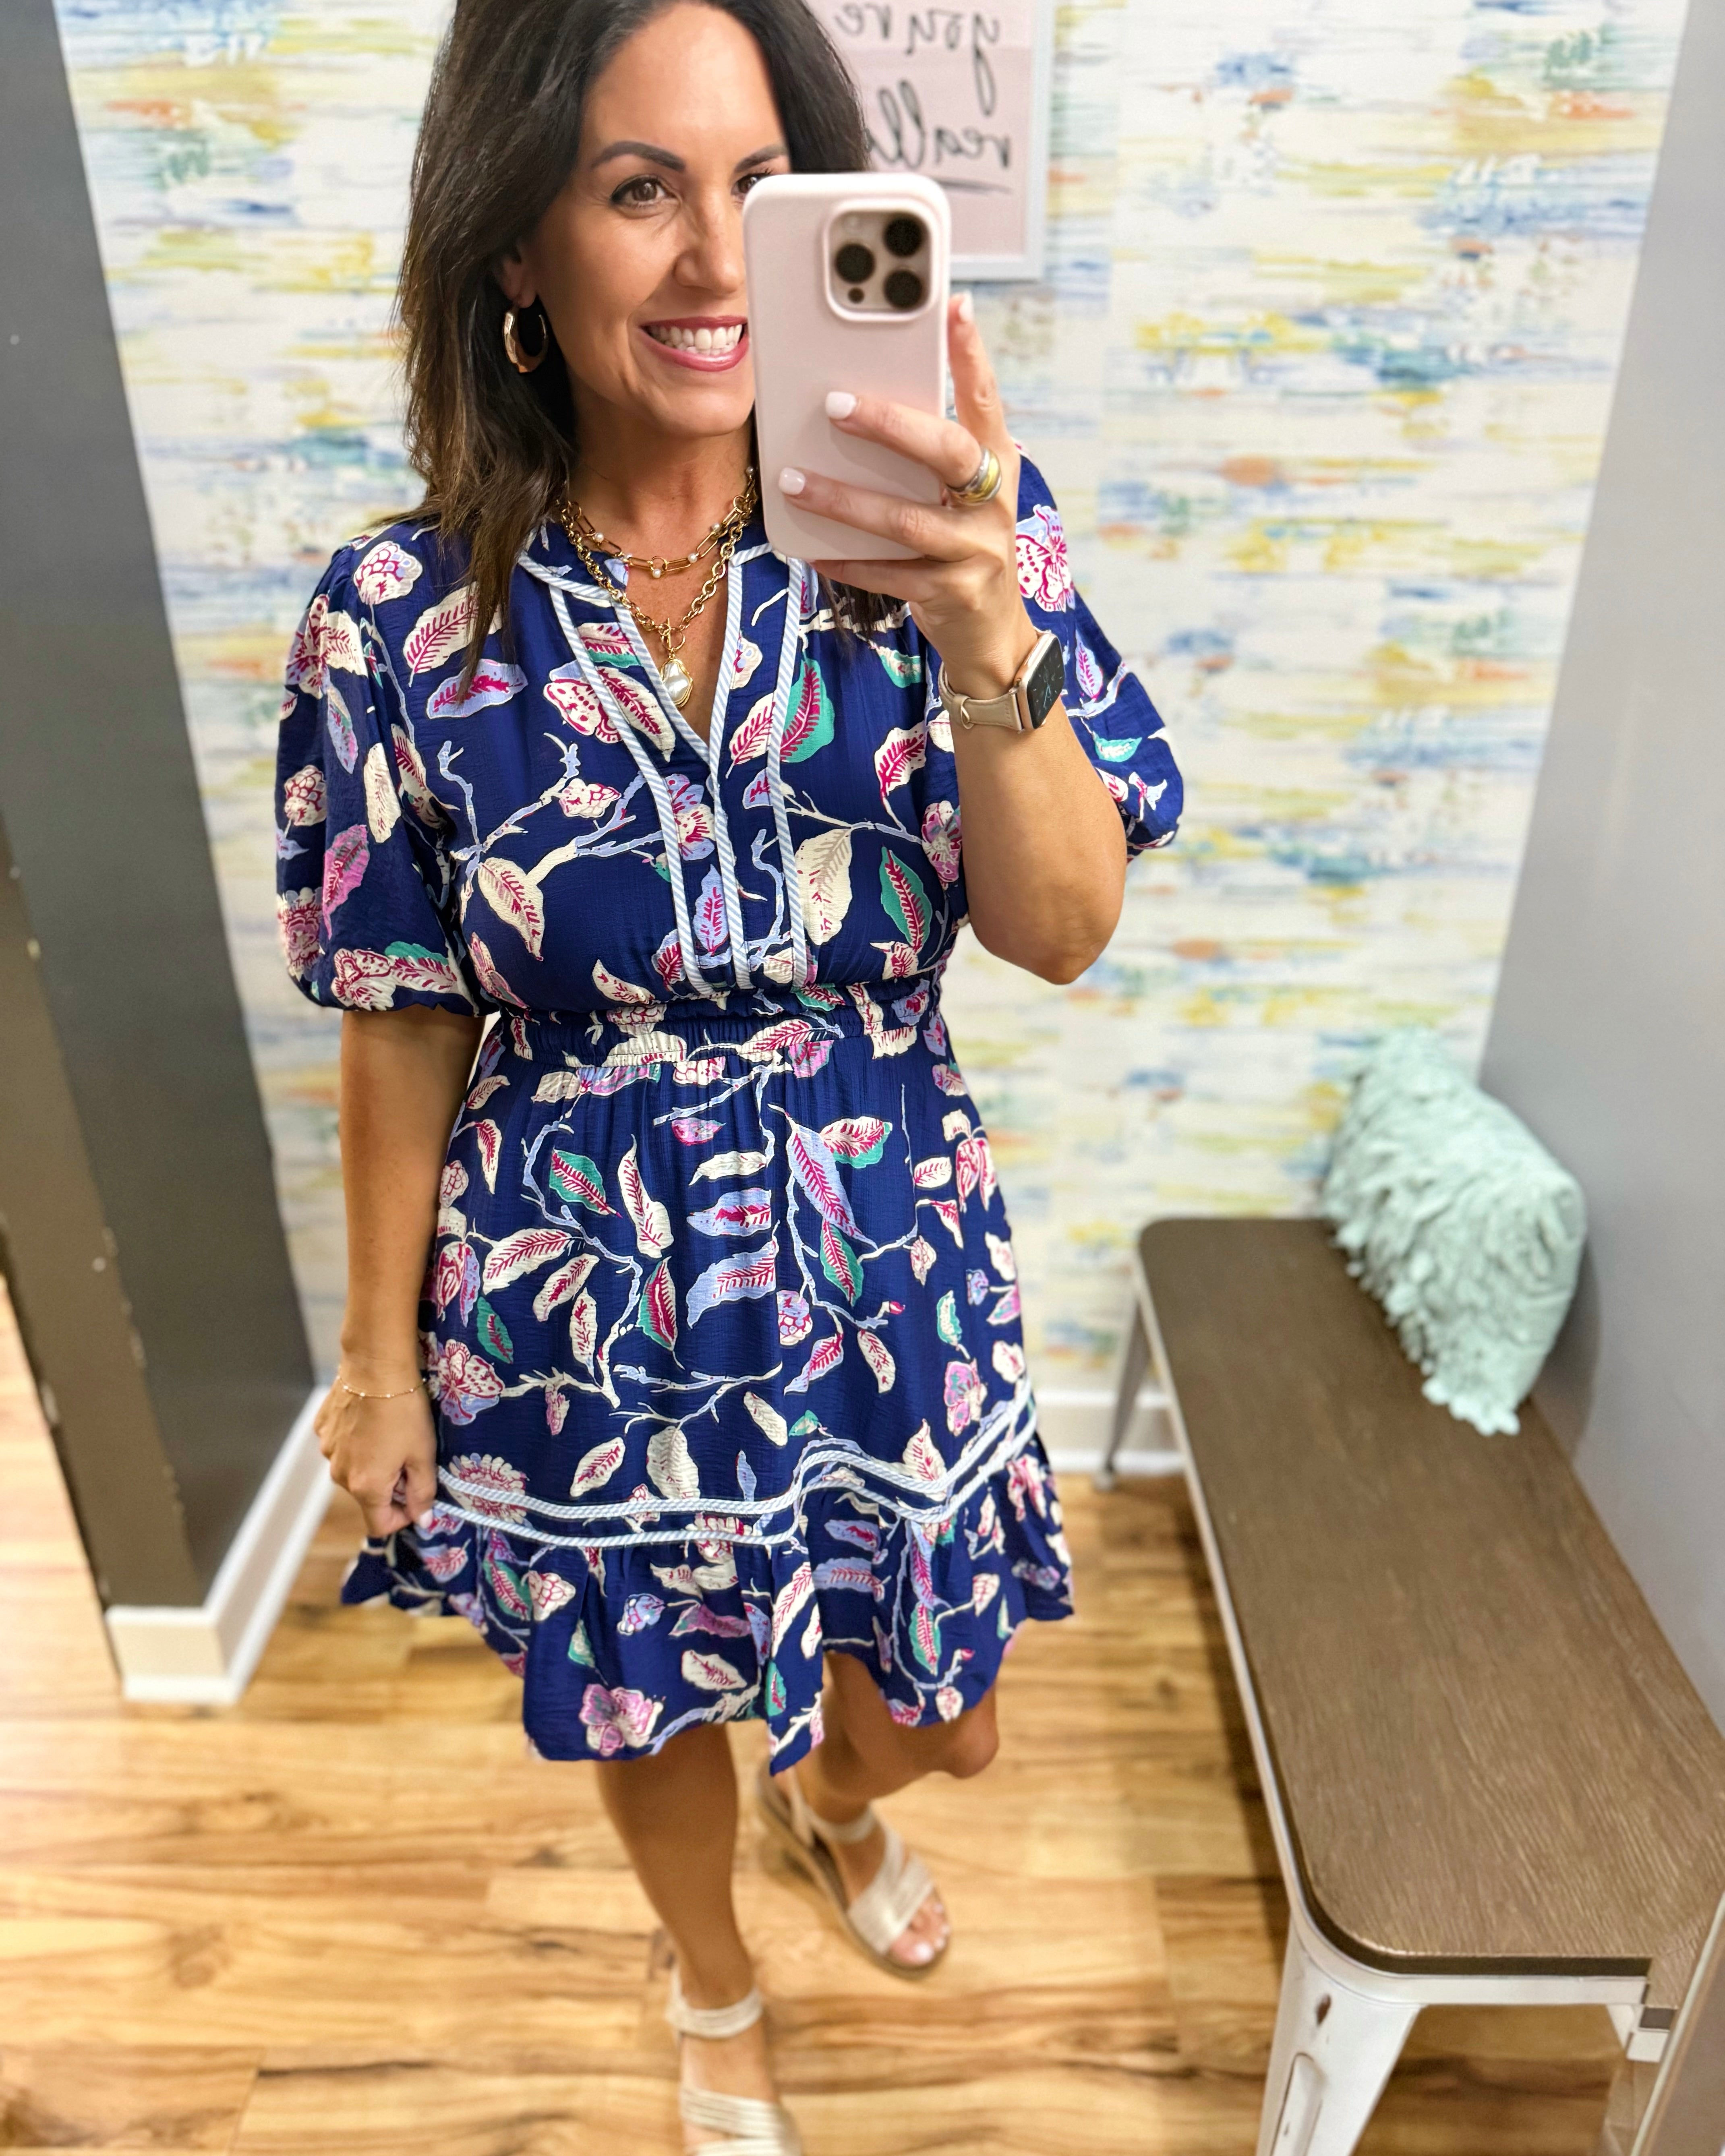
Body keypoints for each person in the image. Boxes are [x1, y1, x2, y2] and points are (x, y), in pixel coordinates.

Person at [275, 0, 1181, 2145]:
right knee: (642, 1694)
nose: (712, 260)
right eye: (636, 187)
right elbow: (404, 1003)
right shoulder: (395, 621)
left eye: (766, 192)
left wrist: (987, 641)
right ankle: (706, 1989)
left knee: (936, 1721)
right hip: (580, 1290)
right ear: (517, 249)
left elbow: (1059, 929)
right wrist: (379, 1357)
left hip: (890, 1267)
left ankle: (837, 1802)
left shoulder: (953, 526)